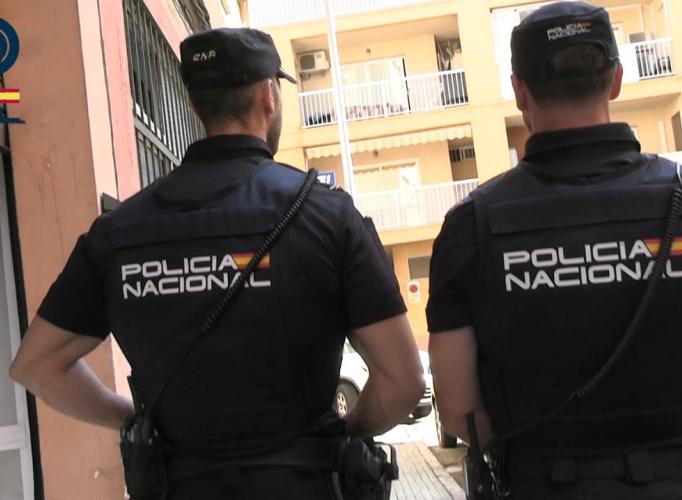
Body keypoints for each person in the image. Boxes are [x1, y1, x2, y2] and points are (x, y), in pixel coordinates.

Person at [10, 28, 424, 499]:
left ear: (194, 106)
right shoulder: (326, 215)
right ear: (268, 96)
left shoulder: (117, 233)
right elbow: (403, 382)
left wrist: (134, 421)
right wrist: (340, 435)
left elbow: (37, 365)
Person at [428, 2, 682, 499]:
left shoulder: (470, 227)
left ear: (519, 90)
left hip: (541, 484)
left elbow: (460, 409)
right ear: (616, 80)